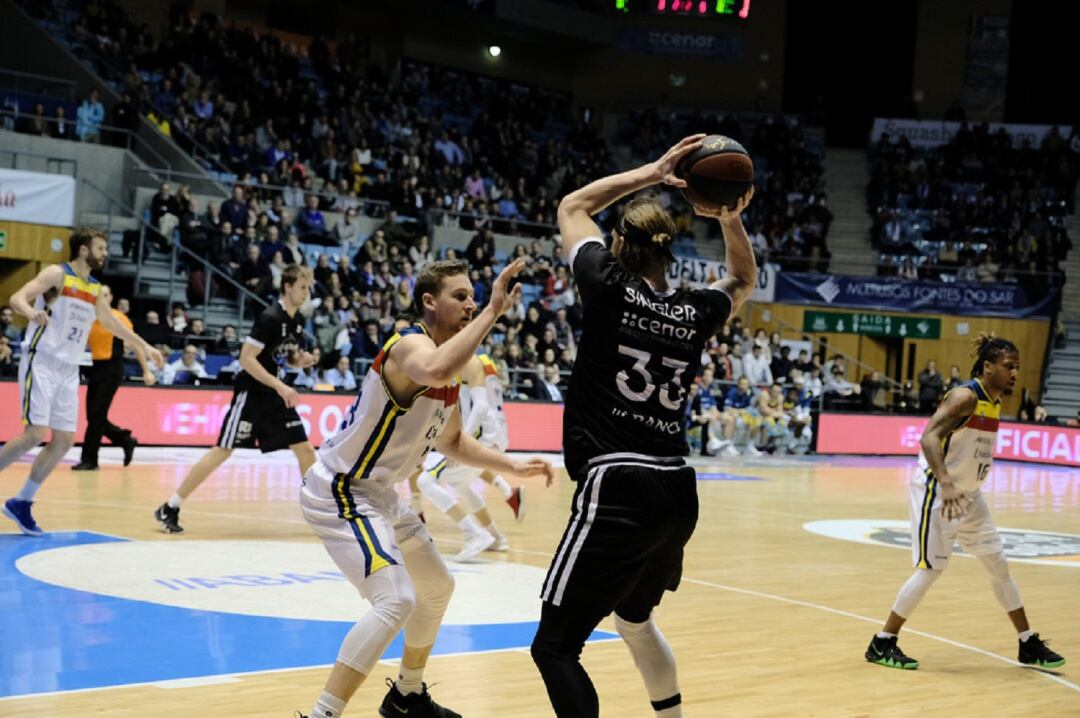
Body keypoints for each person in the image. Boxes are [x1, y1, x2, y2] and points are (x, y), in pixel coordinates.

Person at [530, 134, 757, 718]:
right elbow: (741, 281)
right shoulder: (692, 310)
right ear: (668, 254)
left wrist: (652, 172)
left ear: (618, 245)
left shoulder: (607, 286)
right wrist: (731, 219)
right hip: (677, 491)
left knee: (554, 647)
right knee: (634, 623)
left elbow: (571, 207)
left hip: (619, 486)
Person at [296, 258, 553, 718]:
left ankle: (406, 697)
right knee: (396, 599)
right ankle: (322, 715)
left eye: (474, 296)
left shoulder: (450, 371)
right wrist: (494, 311)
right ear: (429, 301)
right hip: (341, 489)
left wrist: (513, 466)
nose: (471, 304)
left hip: (380, 495)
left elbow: (453, 441)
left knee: (436, 586)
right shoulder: (408, 345)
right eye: (461, 296)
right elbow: (433, 369)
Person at [865, 334, 1066, 671]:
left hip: (969, 496)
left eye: (1017, 367)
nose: (1015, 373)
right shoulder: (964, 396)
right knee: (931, 570)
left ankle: (1027, 641)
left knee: (998, 565)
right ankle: (882, 642)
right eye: (1008, 367)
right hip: (938, 492)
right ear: (988, 367)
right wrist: (945, 483)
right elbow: (929, 436)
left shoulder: (996, 399)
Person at [0, 229, 164, 535]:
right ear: (85, 250)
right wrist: (30, 311)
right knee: (35, 434)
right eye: (101, 248)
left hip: (69, 368)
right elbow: (16, 297)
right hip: (42, 360)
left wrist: (144, 345)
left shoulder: (95, 289)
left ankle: (21, 502)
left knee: (63, 440)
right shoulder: (56, 274)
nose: (105, 253)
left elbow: (112, 323)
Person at [154, 265, 318, 533]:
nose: (306, 292)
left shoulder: (297, 320)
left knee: (306, 450)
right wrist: (281, 385)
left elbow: (285, 356)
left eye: (308, 287)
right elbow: (247, 358)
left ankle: (317, 510)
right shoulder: (270, 317)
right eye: (302, 287)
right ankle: (171, 506)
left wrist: (301, 361)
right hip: (253, 394)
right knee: (223, 450)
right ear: (287, 286)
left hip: (276, 396)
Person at [416, 353, 527, 561]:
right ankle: (496, 538)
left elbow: (481, 406)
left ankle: (474, 534)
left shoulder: (468, 362)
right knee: (462, 485)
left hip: (482, 438)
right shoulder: (486, 362)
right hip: (496, 436)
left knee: (426, 481)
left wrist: (461, 441)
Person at [73, 288, 157, 471]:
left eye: (105, 295)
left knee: (96, 416)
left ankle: (90, 459)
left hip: (112, 368)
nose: (101, 298)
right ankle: (124, 439)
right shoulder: (89, 318)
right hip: (96, 367)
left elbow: (135, 343)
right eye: (98, 295)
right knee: (93, 416)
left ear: (111, 298)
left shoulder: (118, 317)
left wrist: (146, 370)